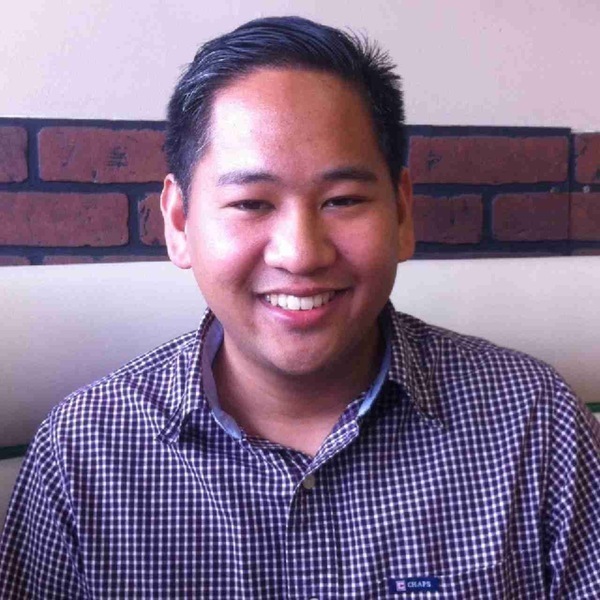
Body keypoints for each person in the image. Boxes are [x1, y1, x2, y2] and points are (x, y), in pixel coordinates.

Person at [1, 15, 599, 599]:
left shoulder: (534, 422)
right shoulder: (85, 452)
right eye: (251, 203)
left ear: (400, 212)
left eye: (342, 200)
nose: (302, 254)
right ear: (179, 222)